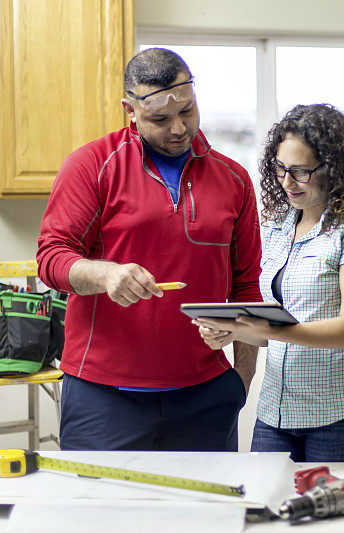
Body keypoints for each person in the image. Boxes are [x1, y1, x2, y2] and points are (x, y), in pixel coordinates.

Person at [36, 48, 262, 452]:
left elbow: (247, 287)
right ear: (130, 109)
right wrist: (105, 275)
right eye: (160, 119)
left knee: (203, 516)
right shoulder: (91, 166)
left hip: (207, 396)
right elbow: (52, 258)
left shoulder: (235, 180)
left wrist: (240, 383)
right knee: (100, 514)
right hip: (102, 397)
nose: (178, 128)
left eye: (188, 112)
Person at [194, 104, 344, 463]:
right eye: (281, 168)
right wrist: (232, 332)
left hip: (341, 417)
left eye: (300, 171)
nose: (286, 182)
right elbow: (271, 330)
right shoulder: (276, 228)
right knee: (266, 513)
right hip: (276, 414)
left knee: (336, 521)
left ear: (333, 168)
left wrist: (270, 329)